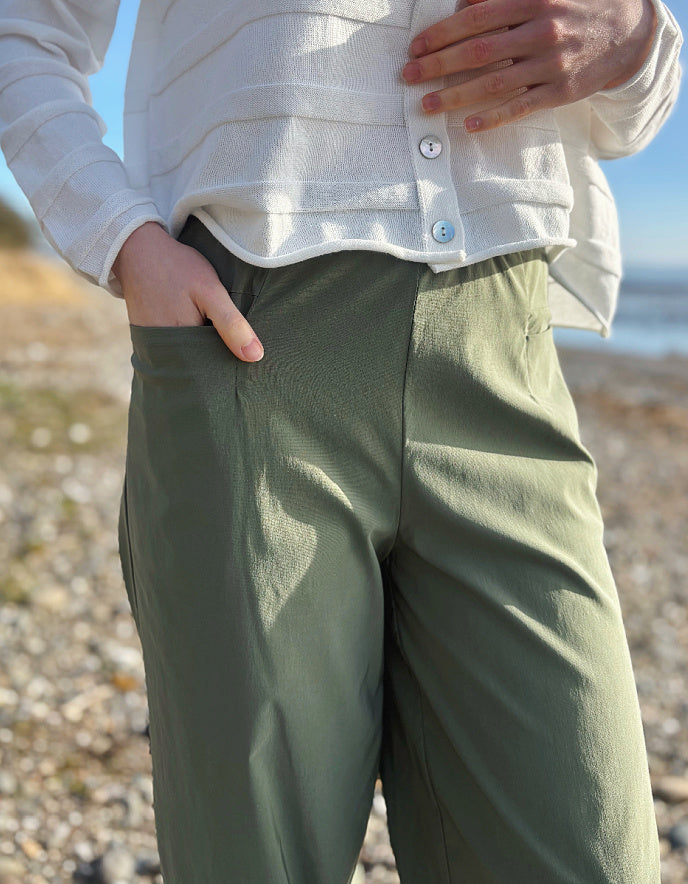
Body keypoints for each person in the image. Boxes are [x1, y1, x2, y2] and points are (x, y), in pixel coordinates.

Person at [0, 0, 683, 881]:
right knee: (251, 856)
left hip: (506, 352)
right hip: (249, 349)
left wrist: (634, 44)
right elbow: (23, 30)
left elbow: (632, 101)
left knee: (590, 849)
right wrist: (124, 242)